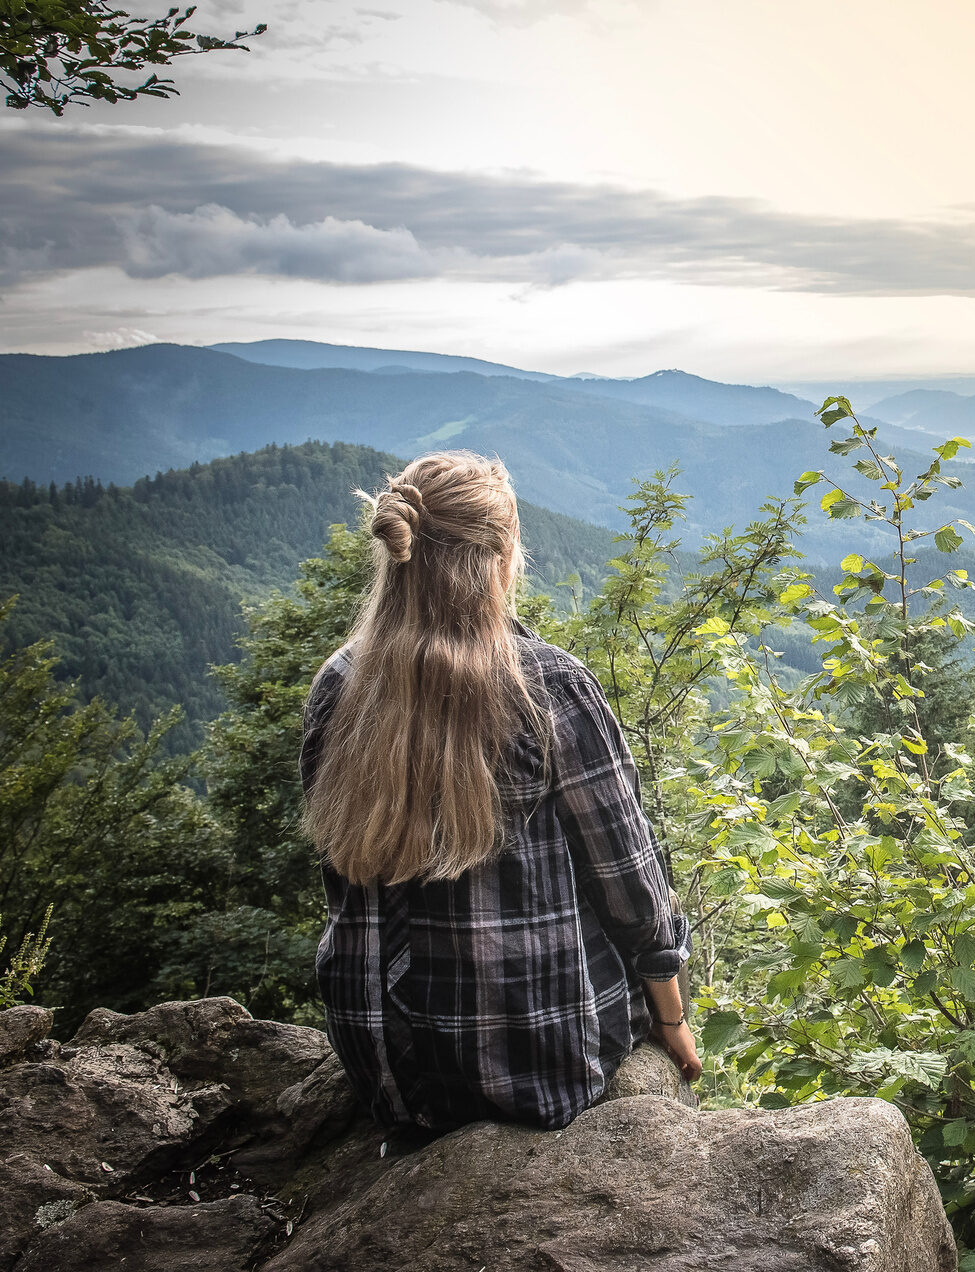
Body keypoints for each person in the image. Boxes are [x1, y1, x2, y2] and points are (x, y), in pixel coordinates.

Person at [300, 450, 701, 1132]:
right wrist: (673, 1018)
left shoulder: (340, 685)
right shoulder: (549, 686)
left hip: (389, 1070)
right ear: (504, 558)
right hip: (537, 1067)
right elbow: (631, 886)